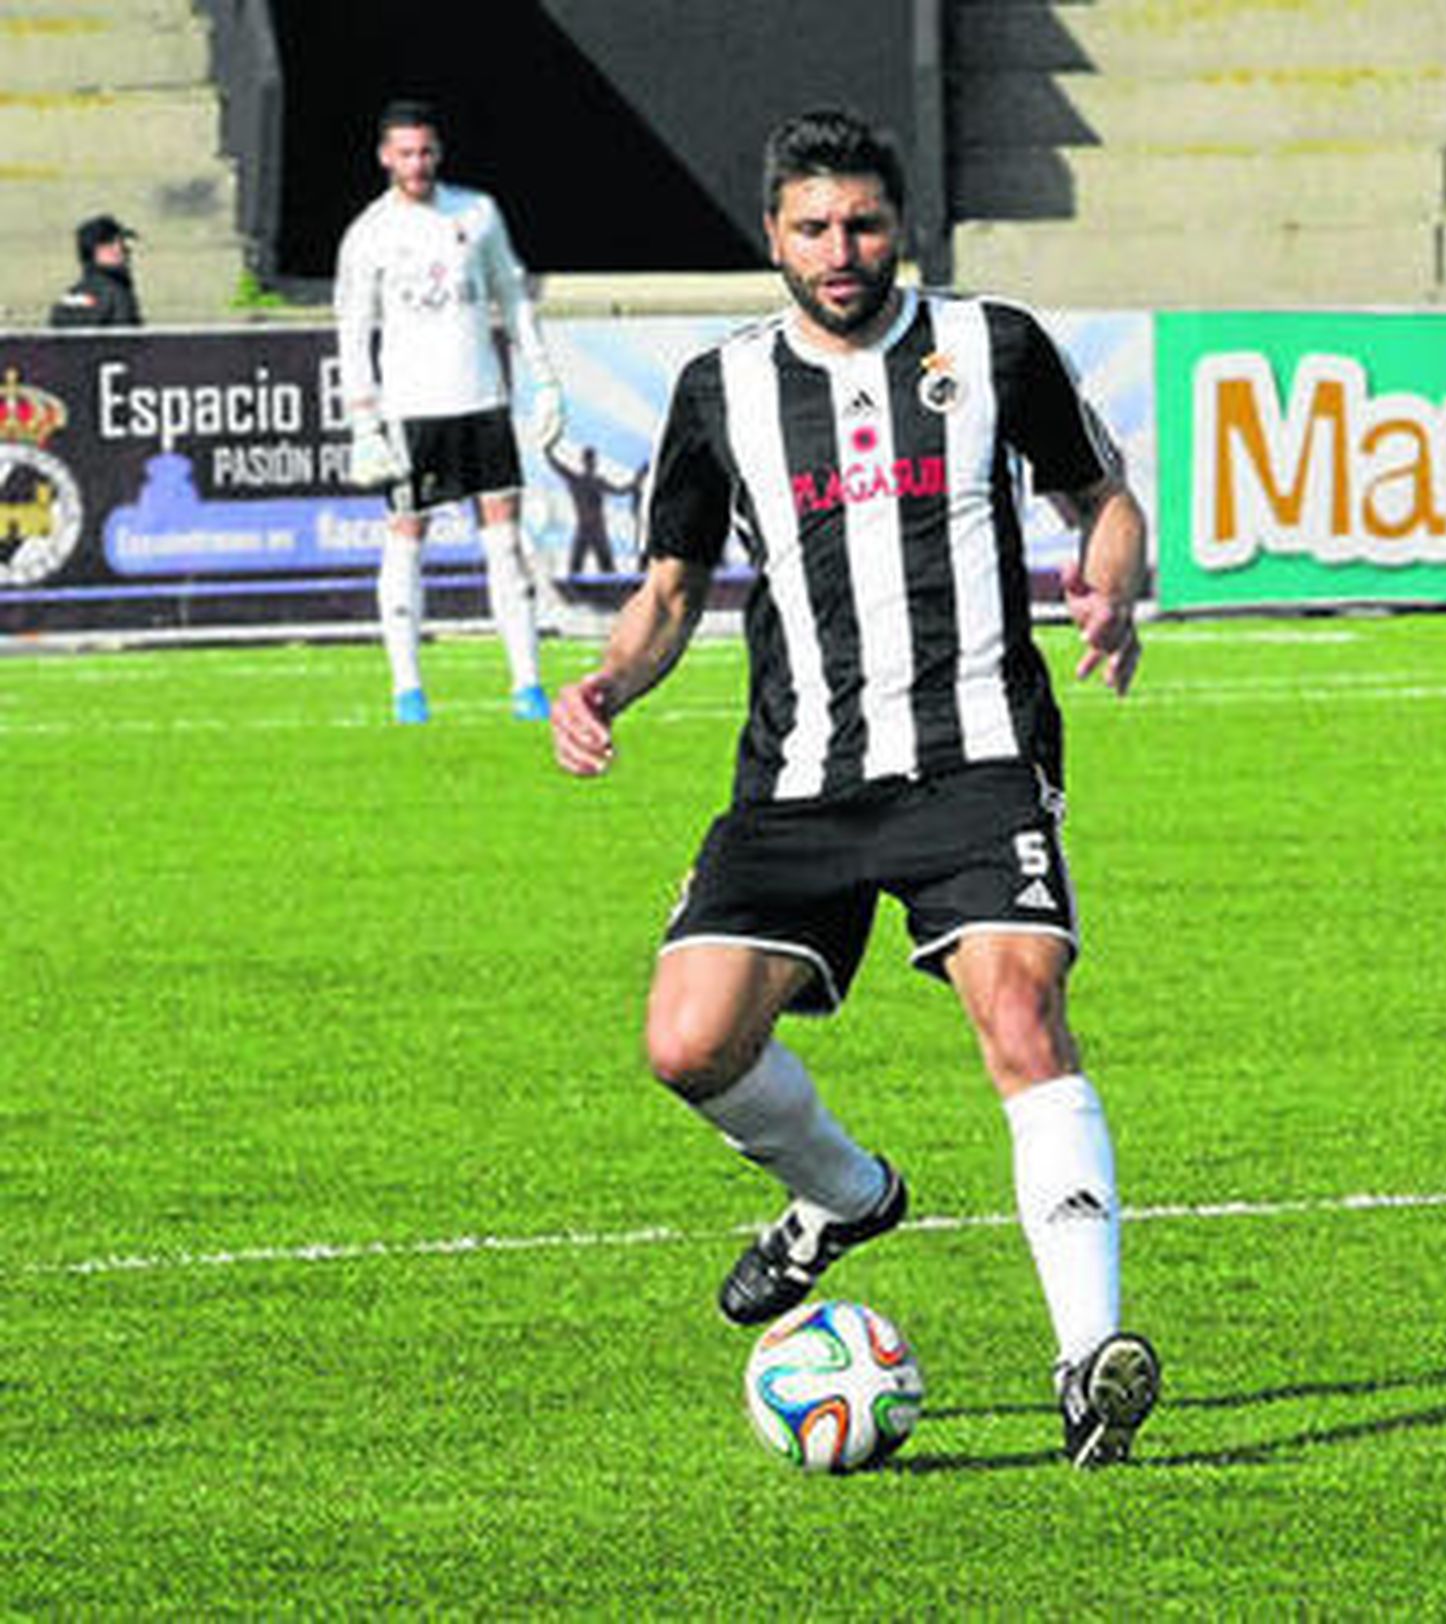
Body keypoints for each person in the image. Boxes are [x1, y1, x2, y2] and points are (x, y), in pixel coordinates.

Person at [551, 107, 1159, 1468]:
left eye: (865, 224)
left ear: (901, 228)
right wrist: (605, 685)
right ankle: (843, 1193)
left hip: (976, 758)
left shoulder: (994, 346)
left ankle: (1090, 1362)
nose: (842, 250)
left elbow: (1104, 498)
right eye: (815, 227)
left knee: (1021, 1009)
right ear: (773, 235)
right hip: (798, 780)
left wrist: (1111, 584)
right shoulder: (720, 389)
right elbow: (669, 591)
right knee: (688, 1045)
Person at [335, 98, 563, 724]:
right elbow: (352, 330)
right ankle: (407, 689)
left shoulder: (477, 212)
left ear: (439, 152)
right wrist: (363, 420)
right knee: (407, 537)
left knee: (505, 541)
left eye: (425, 151)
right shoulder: (370, 233)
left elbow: (512, 296)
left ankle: (527, 685)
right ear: (385, 157)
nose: (417, 163)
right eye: (405, 153)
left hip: (482, 400)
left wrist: (544, 379)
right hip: (412, 409)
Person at [546, 443, 632, 577]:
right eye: (590, 460)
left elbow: (621, 490)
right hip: (587, 529)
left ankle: (610, 585)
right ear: (587, 462)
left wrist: (638, 480)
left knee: (606, 568)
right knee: (576, 567)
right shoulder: (577, 480)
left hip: (596, 529)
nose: (591, 463)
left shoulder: (594, 482)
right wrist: (548, 452)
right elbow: (557, 467)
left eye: (591, 460)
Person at [48, 215, 143, 328]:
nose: (120, 250)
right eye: (109, 244)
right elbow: (127, 336)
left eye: (121, 243)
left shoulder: (70, 297)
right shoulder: (117, 294)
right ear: (93, 251)